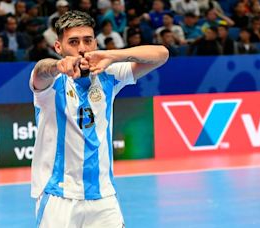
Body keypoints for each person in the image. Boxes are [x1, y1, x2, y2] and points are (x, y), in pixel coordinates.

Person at [30, 10, 169, 227]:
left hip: (103, 197)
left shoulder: (109, 74)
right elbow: (40, 72)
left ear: (95, 42)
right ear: (59, 47)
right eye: (73, 42)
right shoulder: (51, 82)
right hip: (58, 197)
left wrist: (113, 55)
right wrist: (58, 65)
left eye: (87, 41)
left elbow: (161, 54)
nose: (82, 48)